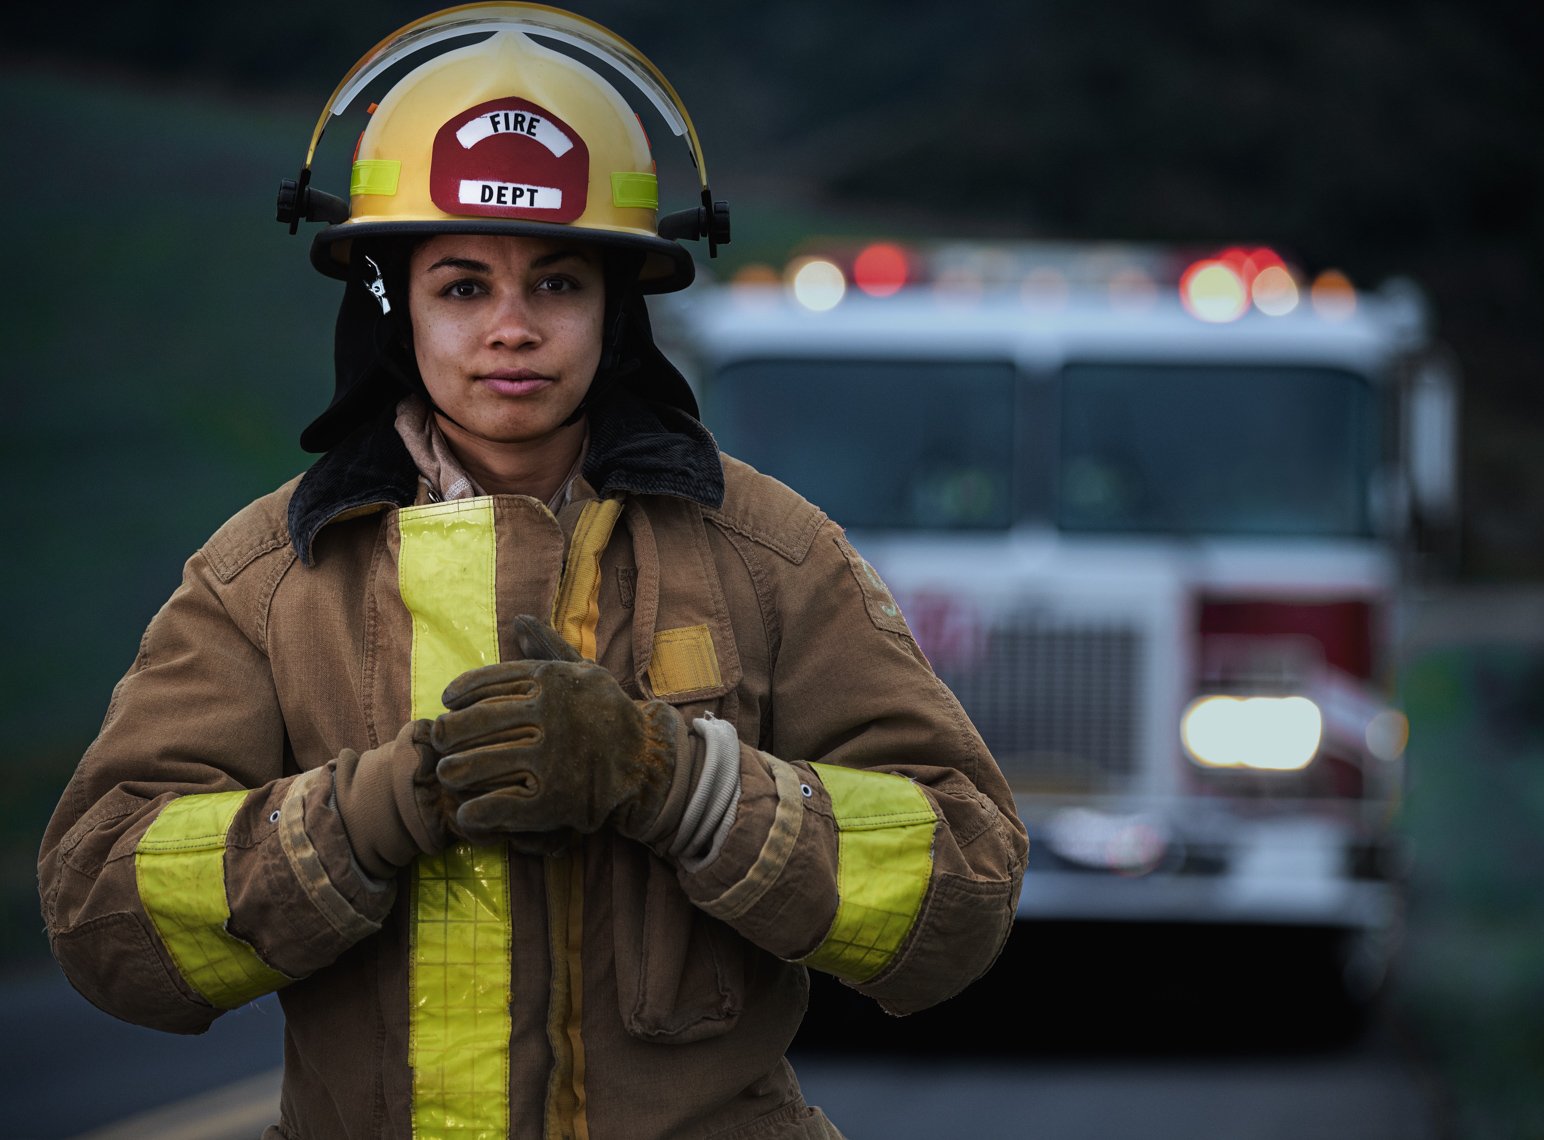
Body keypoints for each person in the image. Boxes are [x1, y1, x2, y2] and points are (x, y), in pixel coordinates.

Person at [35, 6, 1027, 1139]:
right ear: (391, 303)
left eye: (557, 284)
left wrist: (678, 782)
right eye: (463, 286)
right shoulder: (268, 578)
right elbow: (106, 915)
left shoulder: (770, 554)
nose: (511, 328)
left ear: (618, 307)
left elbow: (961, 894)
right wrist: (367, 813)